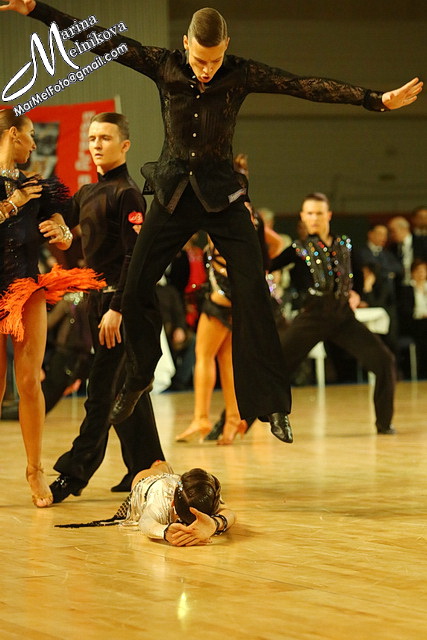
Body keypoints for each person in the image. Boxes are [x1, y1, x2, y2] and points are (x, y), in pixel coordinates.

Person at [5, 2, 422, 444]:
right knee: (136, 284)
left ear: (227, 47)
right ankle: (139, 375)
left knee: (254, 291)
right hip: (172, 195)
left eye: (215, 60)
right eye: (200, 60)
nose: (207, 70)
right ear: (186, 44)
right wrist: (37, 10)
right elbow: (100, 39)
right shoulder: (163, 65)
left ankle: (272, 404)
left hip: (223, 198)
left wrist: (375, 100)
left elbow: (304, 86)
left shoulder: (240, 73)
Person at [48, 112, 165, 503]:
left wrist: (117, 309)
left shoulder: (127, 194)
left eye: (106, 138)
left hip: (122, 306)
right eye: (93, 138)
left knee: (100, 391)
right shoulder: (87, 192)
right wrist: (56, 227)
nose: (97, 144)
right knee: (124, 388)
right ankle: (145, 465)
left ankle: (74, 473)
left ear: (124, 145)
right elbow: (61, 221)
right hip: (98, 303)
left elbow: (135, 258)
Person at [0, 109, 100, 507]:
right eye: (29, 136)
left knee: (29, 381)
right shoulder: (19, 192)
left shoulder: (36, 185)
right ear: (12, 135)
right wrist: (13, 203)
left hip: (26, 287)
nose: (33, 144)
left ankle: (34, 469)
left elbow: (63, 223)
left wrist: (60, 230)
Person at [270, 192, 397, 435]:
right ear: (302, 216)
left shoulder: (344, 244)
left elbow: (358, 277)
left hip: (342, 317)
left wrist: (357, 294)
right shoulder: (298, 248)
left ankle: (384, 424)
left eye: (318, 213)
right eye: (309, 213)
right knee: (275, 366)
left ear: (328, 215)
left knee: (384, 361)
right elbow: (267, 267)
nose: (314, 218)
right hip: (313, 316)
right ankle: (237, 422)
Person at [56, 460, 236, 547]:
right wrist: (164, 531)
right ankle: (160, 467)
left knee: (167, 474)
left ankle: (165, 468)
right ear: (172, 503)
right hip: (148, 485)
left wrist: (214, 524)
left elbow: (229, 512)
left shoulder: (203, 497)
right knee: (153, 472)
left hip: (177, 485)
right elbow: (146, 522)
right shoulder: (160, 499)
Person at [387, 216, 427, 286]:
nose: (391, 235)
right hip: (402, 285)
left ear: (404, 229)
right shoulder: (392, 248)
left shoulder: (422, 242)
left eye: (393, 231)